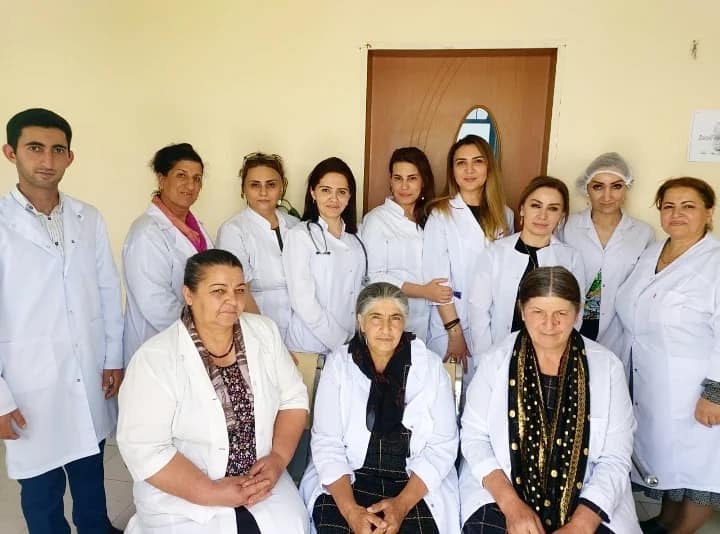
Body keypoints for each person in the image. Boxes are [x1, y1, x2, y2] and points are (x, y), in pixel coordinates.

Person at [117, 249, 310, 533]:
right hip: (185, 498)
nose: (232, 300)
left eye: (239, 290)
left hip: (261, 481)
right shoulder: (154, 359)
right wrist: (210, 491)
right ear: (189, 294)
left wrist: (278, 458)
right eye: (219, 291)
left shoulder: (264, 332)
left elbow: (293, 398)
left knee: (290, 527)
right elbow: (144, 447)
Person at [0, 108, 124, 533]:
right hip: (27, 383)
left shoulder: (88, 217)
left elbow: (107, 291)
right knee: (41, 489)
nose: (47, 160)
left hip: (86, 371)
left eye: (57, 150)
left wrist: (113, 358)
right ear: (11, 152)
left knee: (91, 473)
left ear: (70, 157)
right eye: (35, 148)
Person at [460, 267, 640, 533]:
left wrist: (581, 524)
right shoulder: (495, 362)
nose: (549, 324)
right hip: (505, 491)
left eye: (561, 314)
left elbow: (616, 455)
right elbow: (474, 437)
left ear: (577, 314)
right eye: (538, 312)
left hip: (587, 497)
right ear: (522, 311)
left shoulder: (608, 367)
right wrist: (511, 505)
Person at [300, 282, 460, 534]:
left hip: (411, 485)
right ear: (361, 322)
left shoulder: (429, 367)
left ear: (404, 322)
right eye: (376, 317)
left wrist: (401, 505)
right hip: (348, 479)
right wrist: (351, 512)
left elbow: (442, 445)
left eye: (395, 318)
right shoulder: (339, 365)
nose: (386, 328)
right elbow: (327, 443)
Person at [616, 177, 720, 534]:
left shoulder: (715, 262)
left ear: (709, 212)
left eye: (688, 206)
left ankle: (680, 531)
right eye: (669, 206)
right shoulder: (653, 253)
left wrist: (714, 392)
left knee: (701, 467)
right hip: (652, 382)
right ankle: (664, 522)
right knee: (672, 463)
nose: (677, 214)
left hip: (697, 387)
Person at [423, 134, 513, 373]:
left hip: (494, 323)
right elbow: (437, 281)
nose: (469, 170)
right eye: (461, 163)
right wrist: (454, 332)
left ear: (489, 167)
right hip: (453, 324)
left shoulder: (505, 215)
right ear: (452, 171)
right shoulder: (440, 214)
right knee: (451, 388)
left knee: (489, 386)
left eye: (478, 161)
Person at [468, 176, 585, 356]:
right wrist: (485, 358)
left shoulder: (571, 258)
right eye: (536, 205)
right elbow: (478, 312)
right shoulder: (495, 253)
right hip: (500, 353)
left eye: (553, 208)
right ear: (522, 209)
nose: (542, 216)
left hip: (551, 356)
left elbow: (575, 312)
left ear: (562, 216)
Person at [121, 143, 215, 365]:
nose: (190, 185)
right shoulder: (147, 232)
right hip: (158, 345)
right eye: (181, 175)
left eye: (197, 178)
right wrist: (205, 333)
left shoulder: (195, 228)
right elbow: (156, 304)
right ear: (161, 179)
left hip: (193, 342)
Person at [560, 153, 654, 369]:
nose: (607, 196)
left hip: (619, 328)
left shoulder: (642, 233)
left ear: (626, 188)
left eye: (616, 186)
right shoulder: (567, 226)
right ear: (587, 188)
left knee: (608, 380)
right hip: (570, 321)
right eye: (598, 187)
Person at [361, 147, 450, 342]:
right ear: (390, 181)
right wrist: (423, 291)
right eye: (398, 178)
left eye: (412, 178)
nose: (404, 186)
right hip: (390, 321)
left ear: (423, 181)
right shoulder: (376, 220)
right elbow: (373, 276)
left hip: (431, 322)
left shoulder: (432, 218)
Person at [282, 157, 367, 355]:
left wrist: (356, 337)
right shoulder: (300, 236)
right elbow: (302, 300)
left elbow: (360, 289)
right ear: (313, 192)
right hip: (309, 345)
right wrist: (341, 341)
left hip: (351, 342)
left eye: (342, 192)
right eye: (325, 190)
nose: (334, 199)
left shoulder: (356, 239)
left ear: (349, 196)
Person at [217, 152, 299, 341]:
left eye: (271, 184)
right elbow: (239, 290)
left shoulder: (295, 225)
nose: (263, 192)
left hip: (300, 329)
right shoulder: (234, 230)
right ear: (243, 189)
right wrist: (266, 336)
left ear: (282, 187)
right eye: (255, 185)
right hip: (256, 328)